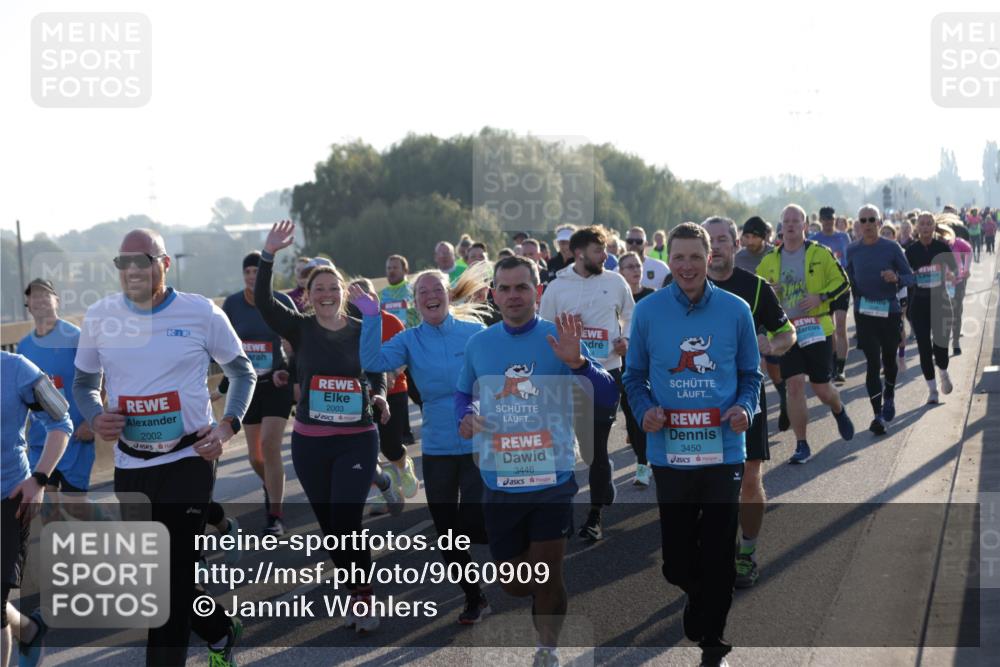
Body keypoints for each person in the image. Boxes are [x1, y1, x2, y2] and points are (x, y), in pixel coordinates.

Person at [73, 228, 255, 666]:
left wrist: (228, 427)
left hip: (189, 457)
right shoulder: (100, 316)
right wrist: (96, 416)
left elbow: (242, 372)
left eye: (143, 260)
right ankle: (217, 628)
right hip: (131, 463)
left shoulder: (201, 313)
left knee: (169, 581)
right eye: (124, 263)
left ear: (165, 263)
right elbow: (83, 382)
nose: (133, 270)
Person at [456, 256, 617, 667]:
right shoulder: (479, 344)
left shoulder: (558, 338)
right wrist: (466, 415)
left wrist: (577, 362)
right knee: (513, 585)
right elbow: (464, 394)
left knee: (549, 570)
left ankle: (547, 648)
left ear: (537, 292)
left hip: (552, 476)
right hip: (500, 480)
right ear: (493, 294)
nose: (513, 296)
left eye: (521, 287)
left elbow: (606, 396)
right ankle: (538, 601)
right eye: (505, 288)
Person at [623, 222, 762, 667]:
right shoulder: (648, 312)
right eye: (678, 257)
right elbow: (633, 377)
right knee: (678, 563)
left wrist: (745, 407)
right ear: (670, 259)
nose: (686, 266)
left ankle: (713, 637)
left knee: (720, 547)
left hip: (723, 449)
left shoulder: (737, 310)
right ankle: (695, 593)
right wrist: (645, 409)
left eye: (695, 257)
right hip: (670, 451)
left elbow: (750, 376)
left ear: (712, 259)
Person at [255, 220, 391, 634]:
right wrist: (268, 255)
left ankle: (365, 596)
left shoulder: (360, 328)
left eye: (334, 288)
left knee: (347, 519)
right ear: (309, 297)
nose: (327, 294)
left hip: (357, 439)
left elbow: (377, 368)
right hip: (311, 442)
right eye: (319, 289)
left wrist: (381, 394)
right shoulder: (299, 327)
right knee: (332, 531)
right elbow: (263, 301)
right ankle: (354, 590)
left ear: (344, 293)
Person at [350, 270, 493, 624]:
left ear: (447, 294)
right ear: (415, 304)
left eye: (436, 289)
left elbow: (499, 378)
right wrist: (370, 319)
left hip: (479, 441)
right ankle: (474, 597)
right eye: (422, 292)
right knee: (447, 533)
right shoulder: (409, 340)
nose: (430, 295)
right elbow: (371, 363)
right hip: (439, 446)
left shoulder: (474, 333)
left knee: (475, 525)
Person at [701, 217, 795, 590]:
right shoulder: (687, 286)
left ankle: (747, 553)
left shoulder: (754, 288)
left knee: (749, 477)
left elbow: (785, 332)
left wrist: (772, 346)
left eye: (722, 239)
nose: (717, 246)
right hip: (695, 399)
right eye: (710, 240)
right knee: (701, 481)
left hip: (745, 395)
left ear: (735, 244)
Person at [539, 226, 633, 541]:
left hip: (606, 373)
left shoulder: (615, 281)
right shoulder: (557, 287)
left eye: (604, 250)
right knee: (567, 443)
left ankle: (594, 516)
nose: (604, 256)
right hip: (568, 375)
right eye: (597, 251)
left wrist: (626, 339)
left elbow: (631, 315)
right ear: (579, 253)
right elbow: (544, 327)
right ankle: (569, 505)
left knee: (594, 445)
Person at [756, 204, 855, 464]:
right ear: (781, 226)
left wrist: (820, 296)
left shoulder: (820, 254)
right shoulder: (768, 261)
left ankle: (838, 408)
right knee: (795, 384)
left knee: (822, 389)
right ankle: (802, 444)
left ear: (805, 225)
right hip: (786, 331)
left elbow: (843, 283)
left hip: (817, 327)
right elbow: (757, 298)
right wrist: (770, 294)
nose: (790, 225)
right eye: (786, 220)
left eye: (795, 220)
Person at [2, 352, 71, 667]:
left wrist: (40, 479)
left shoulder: (17, 369)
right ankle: (29, 630)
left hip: (9, 496)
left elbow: (61, 420)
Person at [220, 252, 297, 535]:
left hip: (277, 384)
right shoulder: (233, 305)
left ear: (267, 275)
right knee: (255, 456)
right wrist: (224, 383)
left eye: (257, 272)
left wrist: (288, 370)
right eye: (248, 272)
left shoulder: (283, 301)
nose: (253, 277)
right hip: (247, 386)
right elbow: (222, 346)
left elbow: (296, 343)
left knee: (269, 446)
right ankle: (273, 486)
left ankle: (275, 515)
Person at [18, 279, 96, 494]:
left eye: (45, 294)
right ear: (28, 304)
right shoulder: (23, 346)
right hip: (40, 441)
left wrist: (92, 422)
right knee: (45, 510)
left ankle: (109, 524)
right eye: (34, 296)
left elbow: (99, 378)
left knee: (76, 509)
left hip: (76, 438)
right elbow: (21, 392)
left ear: (57, 301)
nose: (40, 299)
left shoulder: (75, 337)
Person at [348, 278, 419, 509]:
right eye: (356, 298)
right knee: (367, 447)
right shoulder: (348, 324)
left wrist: (391, 373)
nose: (361, 302)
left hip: (394, 390)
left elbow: (406, 355)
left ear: (374, 298)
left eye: (365, 297)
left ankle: (402, 465)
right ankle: (382, 487)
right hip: (359, 395)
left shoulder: (391, 321)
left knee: (389, 445)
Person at [845, 206, 915, 436]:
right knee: (873, 363)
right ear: (858, 224)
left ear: (879, 221)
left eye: (871, 219)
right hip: (865, 314)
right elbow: (850, 279)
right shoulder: (852, 250)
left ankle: (890, 396)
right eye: (863, 220)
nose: (867, 223)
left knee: (889, 360)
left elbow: (910, 277)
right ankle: (877, 414)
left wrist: (896, 278)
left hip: (889, 312)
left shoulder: (892, 247)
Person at [904, 212, 957, 403]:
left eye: (929, 224)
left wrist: (952, 276)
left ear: (934, 226)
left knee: (941, 345)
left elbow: (955, 270)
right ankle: (932, 391)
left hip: (941, 302)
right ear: (917, 227)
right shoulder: (911, 251)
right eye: (922, 224)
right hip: (919, 304)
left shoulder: (942, 247)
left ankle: (943, 372)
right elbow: (905, 275)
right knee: (924, 348)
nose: (925, 227)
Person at [615, 251, 655, 486]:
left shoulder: (652, 297)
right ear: (621, 272)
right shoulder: (615, 301)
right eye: (629, 267)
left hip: (653, 366)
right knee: (632, 416)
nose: (635, 270)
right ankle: (642, 464)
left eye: (637, 265)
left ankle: (660, 459)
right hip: (626, 367)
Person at [809, 206, 852, 384]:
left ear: (835, 220)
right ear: (820, 220)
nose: (828, 222)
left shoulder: (843, 237)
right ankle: (833, 363)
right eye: (825, 219)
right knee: (830, 329)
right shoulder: (813, 240)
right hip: (822, 290)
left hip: (841, 287)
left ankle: (841, 369)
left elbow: (849, 261)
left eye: (831, 219)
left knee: (841, 327)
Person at [939, 219, 972, 356]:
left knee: (956, 313)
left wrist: (966, 269)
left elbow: (969, 250)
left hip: (957, 283)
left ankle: (956, 343)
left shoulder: (958, 242)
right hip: (939, 286)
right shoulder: (934, 244)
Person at [380, 254, 420, 328]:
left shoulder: (414, 290)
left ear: (405, 270)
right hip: (389, 337)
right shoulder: (381, 294)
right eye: (389, 268)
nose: (391, 271)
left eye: (395, 268)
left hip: (411, 336)